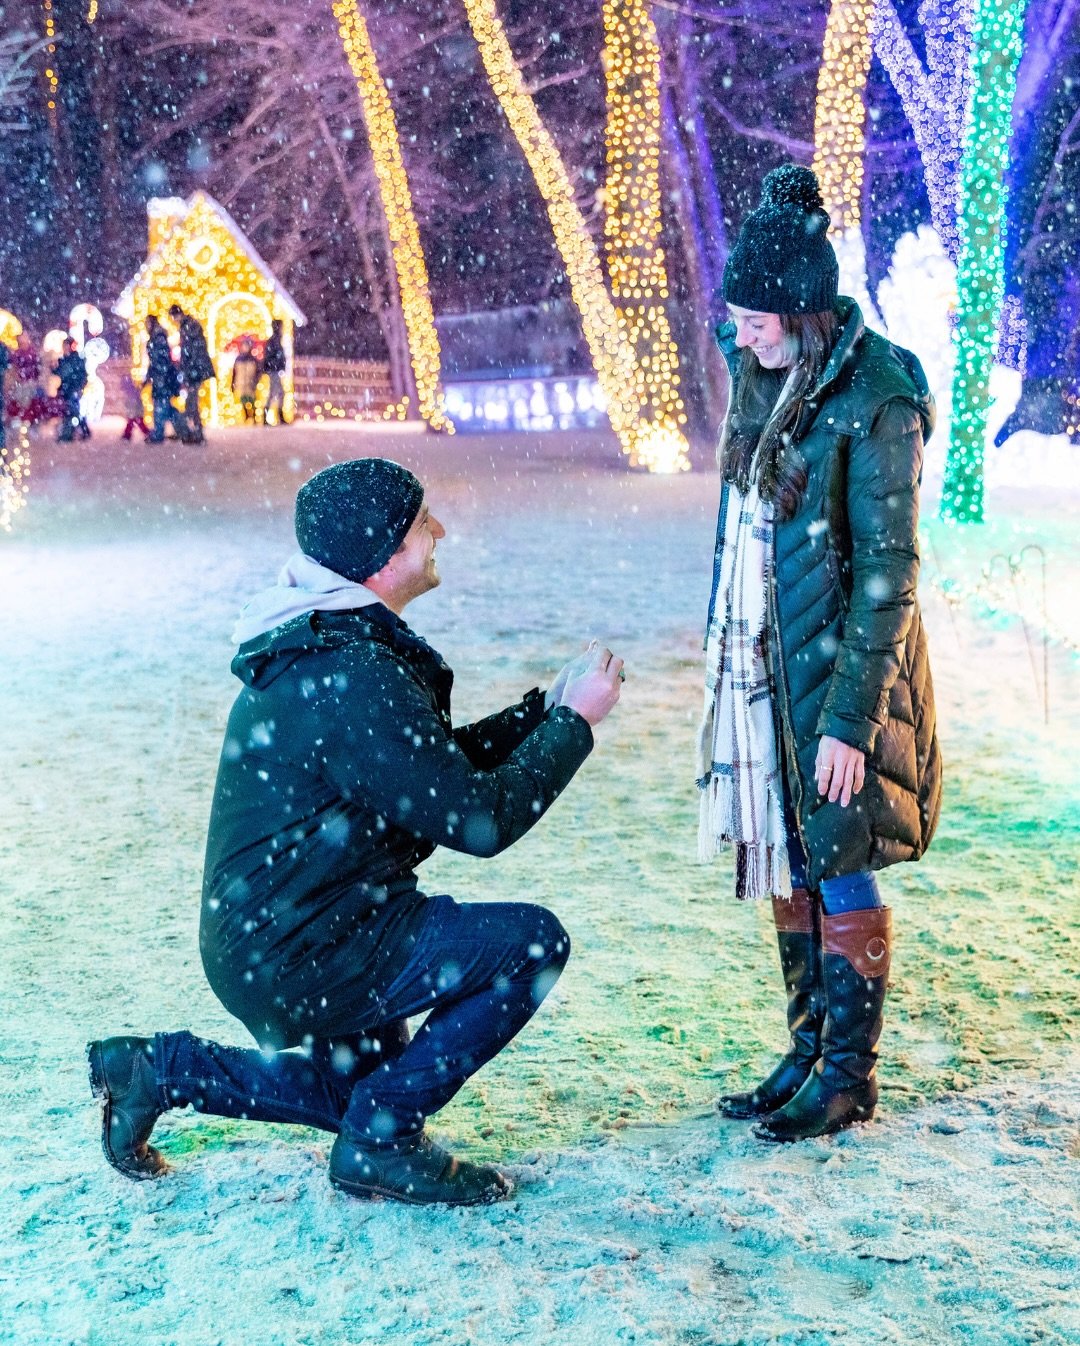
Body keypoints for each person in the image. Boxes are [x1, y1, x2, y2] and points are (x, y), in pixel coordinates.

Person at [87, 457, 624, 1206]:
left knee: (358, 1093)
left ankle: (155, 1071)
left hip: (281, 936)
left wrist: (542, 712)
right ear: (381, 559)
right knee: (529, 946)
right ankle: (383, 1141)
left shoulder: (327, 647)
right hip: (309, 945)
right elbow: (481, 820)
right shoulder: (352, 671)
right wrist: (575, 727)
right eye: (421, 525)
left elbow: (424, 773)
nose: (438, 532)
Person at [697, 164, 942, 1142]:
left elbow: (891, 574)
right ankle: (807, 1048)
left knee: (835, 856)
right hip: (765, 661)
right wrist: (776, 217)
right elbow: (742, 322)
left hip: (839, 673)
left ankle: (848, 1075)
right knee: (788, 851)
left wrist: (852, 721)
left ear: (802, 314)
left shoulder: (875, 402)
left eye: (757, 317)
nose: (741, 332)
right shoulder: (770, 372)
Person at [168, 303, 216, 444]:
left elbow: (192, 351)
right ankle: (194, 432)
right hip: (194, 370)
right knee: (191, 403)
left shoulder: (189, 327)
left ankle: (195, 433)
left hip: (194, 372)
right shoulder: (189, 326)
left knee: (191, 404)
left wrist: (189, 370)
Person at [143, 315, 185, 444]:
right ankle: (181, 429)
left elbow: (158, 361)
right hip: (163, 378)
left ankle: (160, 432)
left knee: (161, 406)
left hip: (162, 378)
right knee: (166, 406)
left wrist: (152, 376)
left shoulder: (157, 337)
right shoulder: (158, 336)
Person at [55, 337, 90, 441]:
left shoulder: (74, 359)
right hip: (68, 389)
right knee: (73, 411)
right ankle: (83, 431)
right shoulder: (66, 359)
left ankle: (68, 434)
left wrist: (78, 386)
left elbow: (77, 374)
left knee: (71, 411)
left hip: (72, 389)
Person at [261, 318, 287, 426]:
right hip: (274, 370)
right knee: (276, 393)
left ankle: (270, 416)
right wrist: (278, 365)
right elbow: (273, 357)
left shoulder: (273, 341)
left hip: (274, 370)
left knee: (275, 393)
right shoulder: (275, 341)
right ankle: (276, 416)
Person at [230, 337, 260, 423]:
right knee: (244, 399)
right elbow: (234, 372)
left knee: (251, 400)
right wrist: (232, 384)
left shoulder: (252, 360)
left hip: (249, 383)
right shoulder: (239, 359)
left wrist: (255, 381)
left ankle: (252, 416)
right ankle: (247, 415)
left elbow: (257, 372)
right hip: (241, 383)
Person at [119, 372, 150, 441]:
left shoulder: (129, 392)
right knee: (136, 420)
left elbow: (130, 401)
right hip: (135, 405)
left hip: (133, 406)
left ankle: (128, 434)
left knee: (133, 420)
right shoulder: (133, 390)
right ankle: (145, 432)